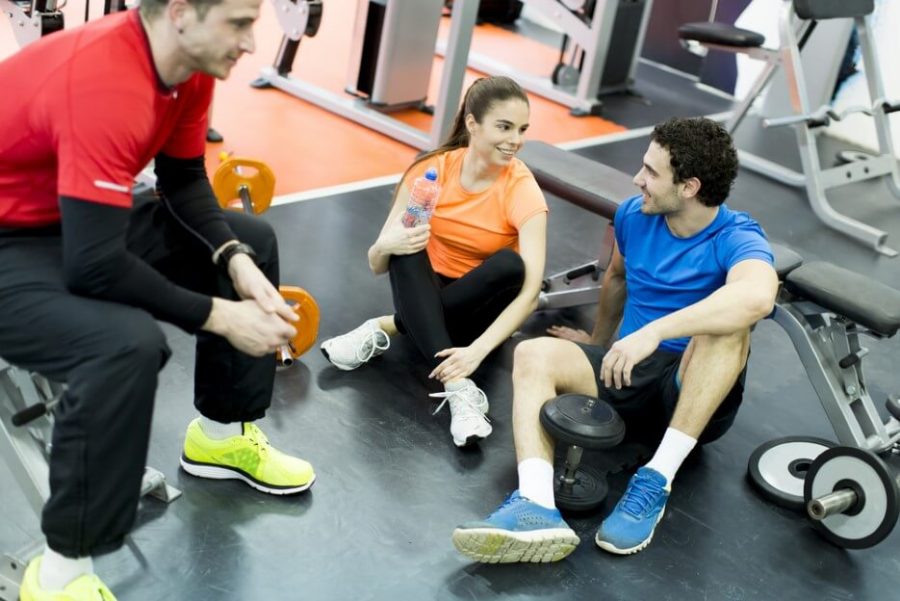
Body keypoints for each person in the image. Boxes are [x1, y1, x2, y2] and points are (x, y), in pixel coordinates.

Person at [0, 0, 316, 598]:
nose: (252, 42)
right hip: (11, 236)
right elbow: (95, 266)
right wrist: (223, 318)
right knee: (124, 347)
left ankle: (220, 440)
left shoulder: (190, 67)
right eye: (241, 23)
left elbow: (184, 179)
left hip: (69, 216)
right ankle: (60, 573)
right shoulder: (104, 79)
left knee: (251, 240)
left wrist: (235, 263)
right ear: (179, 13)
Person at [452, 117, 779, 563]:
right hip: (625, 373)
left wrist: (656, 331)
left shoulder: (736, 236)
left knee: (728, 329)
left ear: (689, 187)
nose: (637, 179)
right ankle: (535, 506)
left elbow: (758, 296)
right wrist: (597, 341)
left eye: (651, 172)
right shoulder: (633, 215)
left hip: (690, 391)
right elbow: (617, 277)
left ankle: (655, 481)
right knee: (532, 353)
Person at [320, 76, 548, 448]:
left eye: (522, 129)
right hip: (426, 288)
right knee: (405, 246)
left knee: (511, 265)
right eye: (504, 127)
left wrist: (478, 350)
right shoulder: (431, 171)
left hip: (480, 310)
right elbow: (378, 262)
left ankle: (388, 327)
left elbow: (530, 294)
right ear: (472, 124)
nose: (515, 140)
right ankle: (460, 391)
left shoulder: (521, 188)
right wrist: (387, 244)